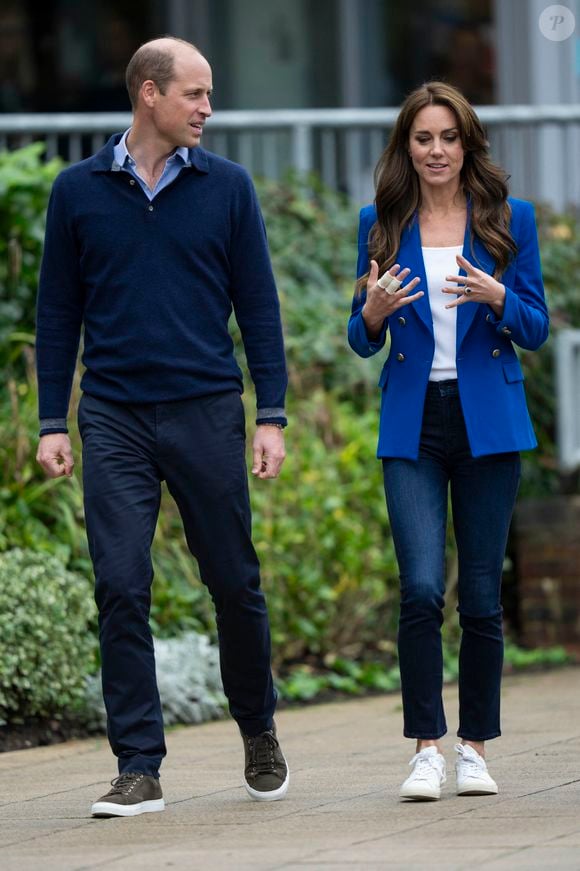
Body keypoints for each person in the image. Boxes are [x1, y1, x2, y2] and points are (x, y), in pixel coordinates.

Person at [35, 36, 289, 817]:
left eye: (208, 95)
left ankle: (257, 723)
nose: (207, 108)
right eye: (195, 94)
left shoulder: (228, 188)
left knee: (233, 582)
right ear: (150, 93)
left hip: (207, 406)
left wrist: (270, 413)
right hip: (112, 413)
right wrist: (53, 419)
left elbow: (259, 306)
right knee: (120, 584)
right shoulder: (76, 193)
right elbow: (56, 313)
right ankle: (138, 764)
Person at [348, 81, 548, 801]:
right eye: (423, 138)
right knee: (422, 588)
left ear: (468, 144)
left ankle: (475, 747)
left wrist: (499, 297)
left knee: (483, 599)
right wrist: (370, 313)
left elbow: (536, 324)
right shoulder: (381, 222)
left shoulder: (508, 219)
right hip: (413, 423)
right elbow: (360, 336)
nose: (436, 150)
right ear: (407, 145)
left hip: (487, 423)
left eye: (449, 137)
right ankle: (426, 748)